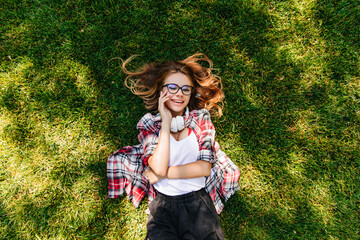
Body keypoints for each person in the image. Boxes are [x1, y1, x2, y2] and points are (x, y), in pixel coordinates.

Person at [107, 53, 240, 239]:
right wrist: (166, 123)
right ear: (161, 91)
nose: (179, 93)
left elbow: (203, 167)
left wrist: (162, 175)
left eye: (186, 89)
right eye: (172, 87)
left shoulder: (201, 119)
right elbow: (157, 166)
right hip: (162, 207)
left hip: (198, 204)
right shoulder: (149, 124)